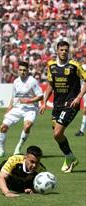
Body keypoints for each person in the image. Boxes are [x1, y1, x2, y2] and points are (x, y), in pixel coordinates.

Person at [40, 40, 86, 173]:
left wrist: (78, 97)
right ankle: (70, 158)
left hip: (71, 104)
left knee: (57, 133)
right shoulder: (51, 65)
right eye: (61, 50)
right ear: (57, 50)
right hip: (57, 105)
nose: (64, 52)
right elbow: (50, 85)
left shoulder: (74, 65)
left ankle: (69, 157)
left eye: (66, 50)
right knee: (58, 136)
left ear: (68, 51)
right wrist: (44, 102)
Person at [0, 61, 43, 158]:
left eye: (24, 70)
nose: (22, 72)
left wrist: (29, 101)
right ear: (18, 70)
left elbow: (40, 96)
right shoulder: (16, 81)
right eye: (20, 70)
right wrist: (9, 108)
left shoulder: (32, 81)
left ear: (27, 71)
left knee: (27, 126)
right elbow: (13, 96)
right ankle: (1, 151)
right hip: (18, 107)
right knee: (3, 127)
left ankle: (18, 148)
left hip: (30, 108)